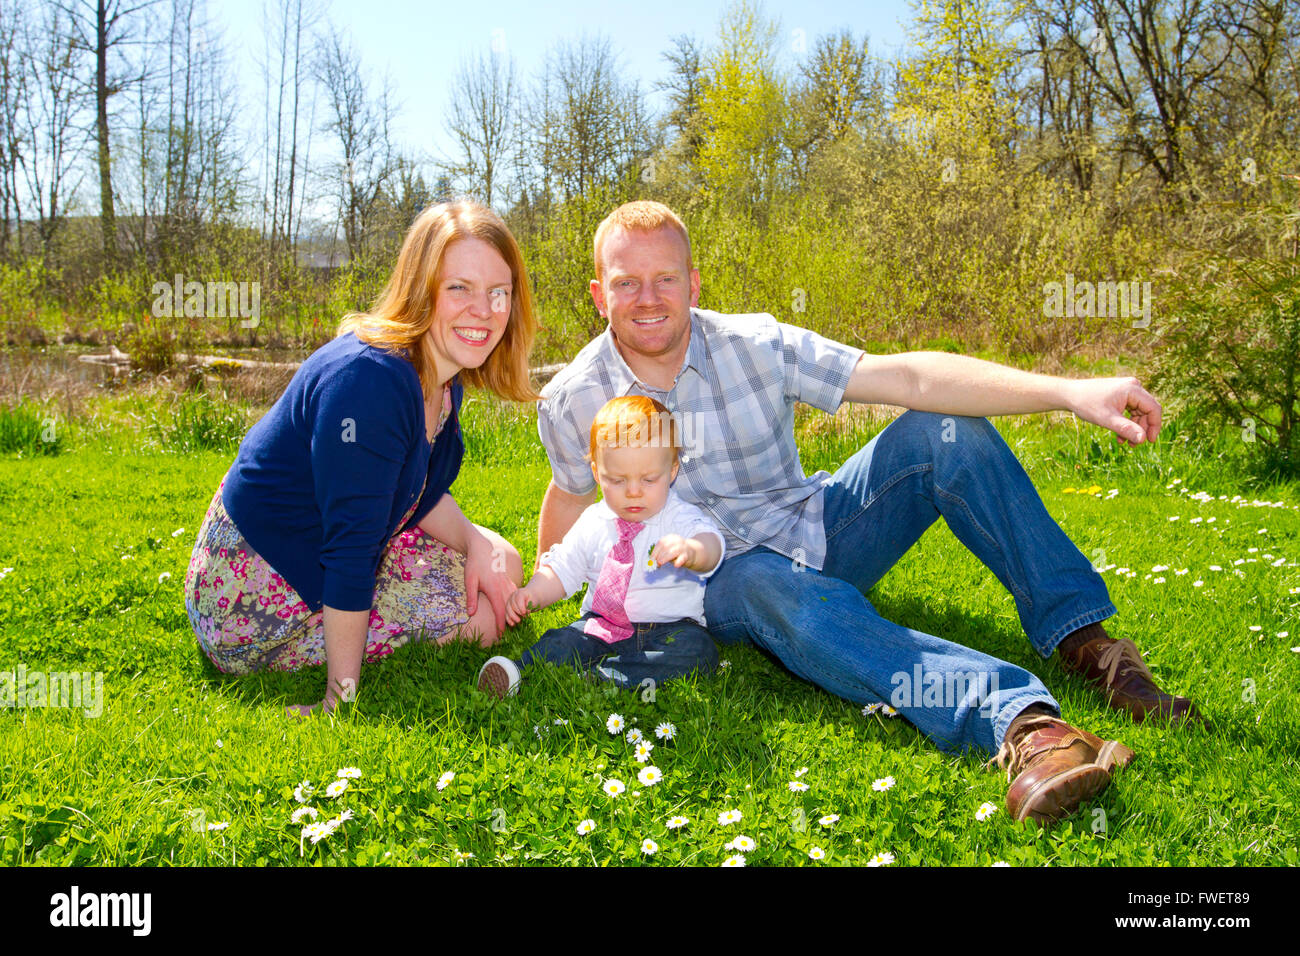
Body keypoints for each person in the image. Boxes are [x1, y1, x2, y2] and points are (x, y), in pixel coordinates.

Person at [533, 199, 1200, 825]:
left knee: (945, 431)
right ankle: (1023, 722)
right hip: (718, 582)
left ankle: (1086, 642)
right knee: (761, 579)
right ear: (598, 294)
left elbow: (907, 379)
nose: (647, 299)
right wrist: (549, 599)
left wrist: (1069, 391)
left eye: (665, 278)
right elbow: (569, 494)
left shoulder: (755, 344)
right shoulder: (575, 397)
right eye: (626, 283)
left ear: (694, 283)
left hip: (820, 529)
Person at [184, 200, 536, 717]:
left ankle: (461, 580)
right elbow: (350, 552)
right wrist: (338, 701)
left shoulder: (442, 377)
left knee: (502, 558)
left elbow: (414, 492)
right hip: (252, 594)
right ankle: (347, 660)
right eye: (459, 287)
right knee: (484, 617)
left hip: (315, 550)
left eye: (498, 292)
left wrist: (475, 543)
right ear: (422, 288)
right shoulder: (370, 383)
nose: (483, 310)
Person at [477, 395, 721, 698]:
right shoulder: (594, 520)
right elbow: (562, 569)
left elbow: (712, 545)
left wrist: (692, 551)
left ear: (671, 471)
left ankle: (606, 678)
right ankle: (516, 670)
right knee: (562, 641)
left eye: (648, 479)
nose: (633, 492)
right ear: (596, 472)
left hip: (670, 627)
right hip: (601, 625)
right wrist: (533, 592)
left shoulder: (679, 518)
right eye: (617, 480)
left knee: (697, 650)